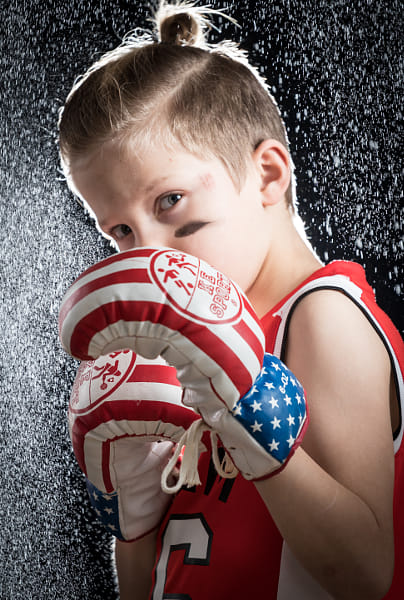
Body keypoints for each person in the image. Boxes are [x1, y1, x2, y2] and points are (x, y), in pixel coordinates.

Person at [57, 1, 403, 598]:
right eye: (121, 231)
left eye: (170, 202)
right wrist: (132, 519)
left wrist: (245, 413)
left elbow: (367, 575)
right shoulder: (176, 353)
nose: (149, 252)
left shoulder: (321, 315)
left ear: (268, 175)